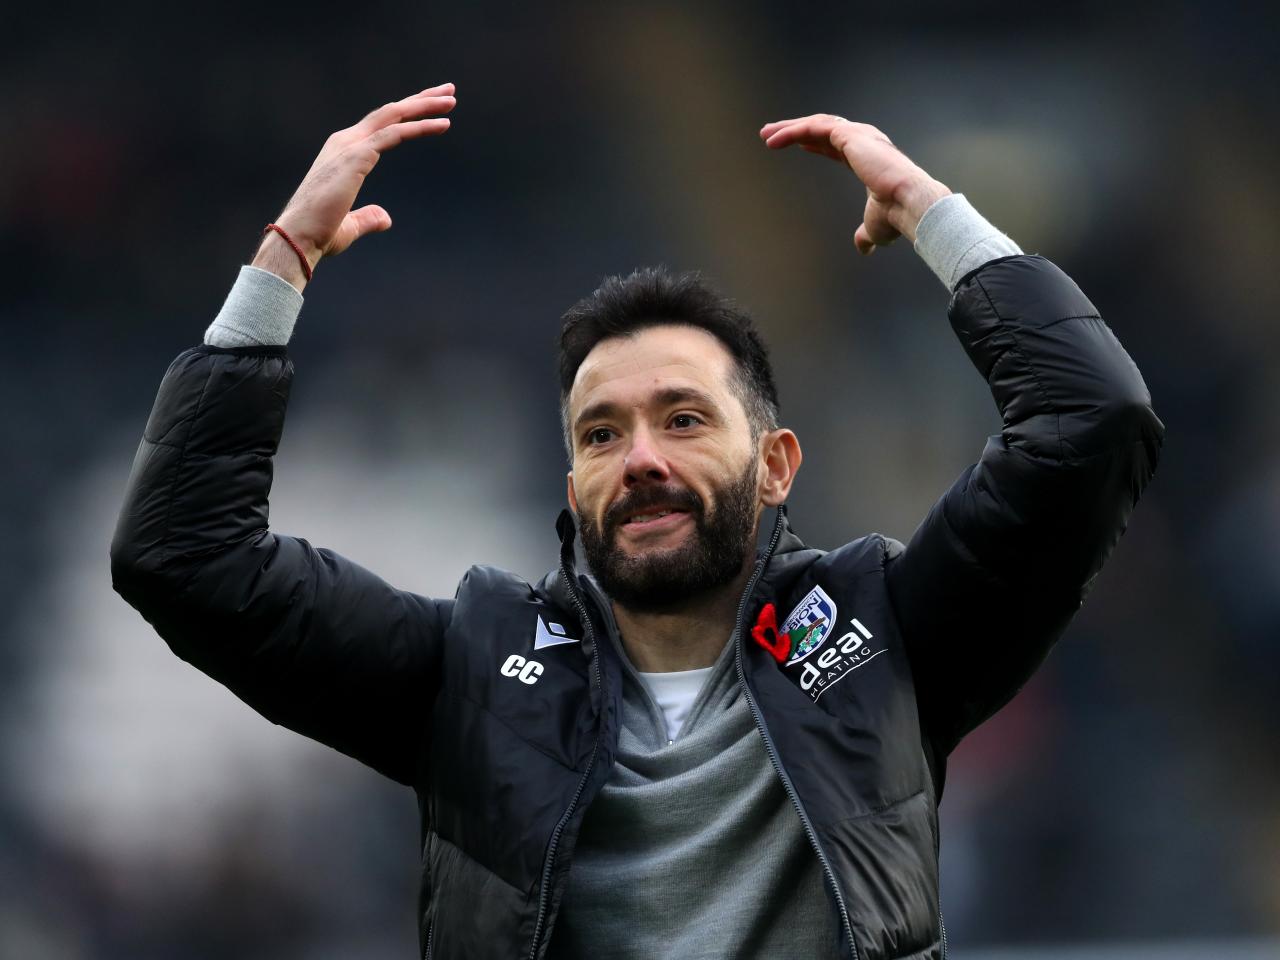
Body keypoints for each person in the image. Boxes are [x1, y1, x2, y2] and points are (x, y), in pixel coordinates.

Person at [109, 82, 1164, 960]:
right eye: (601, 434)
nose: (641, 458)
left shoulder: (886, 631)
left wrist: (933, 212)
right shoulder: (471, 669)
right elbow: (182, 556)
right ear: (572, 488)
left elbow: (1091, 420)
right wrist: (282, 261)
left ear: (776, 465)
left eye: (684, 418)